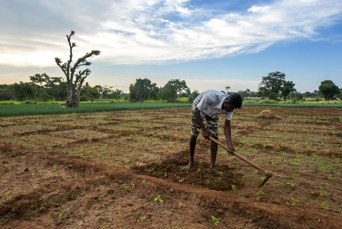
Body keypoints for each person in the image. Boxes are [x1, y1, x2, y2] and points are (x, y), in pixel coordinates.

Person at [186, 90, 243, 176]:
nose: (231, 111)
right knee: (194, 135)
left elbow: (227, 126)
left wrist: (229, 144)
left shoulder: (230, 107)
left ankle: (212, 167)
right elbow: (196, 111)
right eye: (230, 108)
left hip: (213, 113)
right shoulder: (211, 97)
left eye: (233, 109)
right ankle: (191, 161)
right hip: (199, 110)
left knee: (215, 136)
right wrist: (204, 130)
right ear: (226, 102)